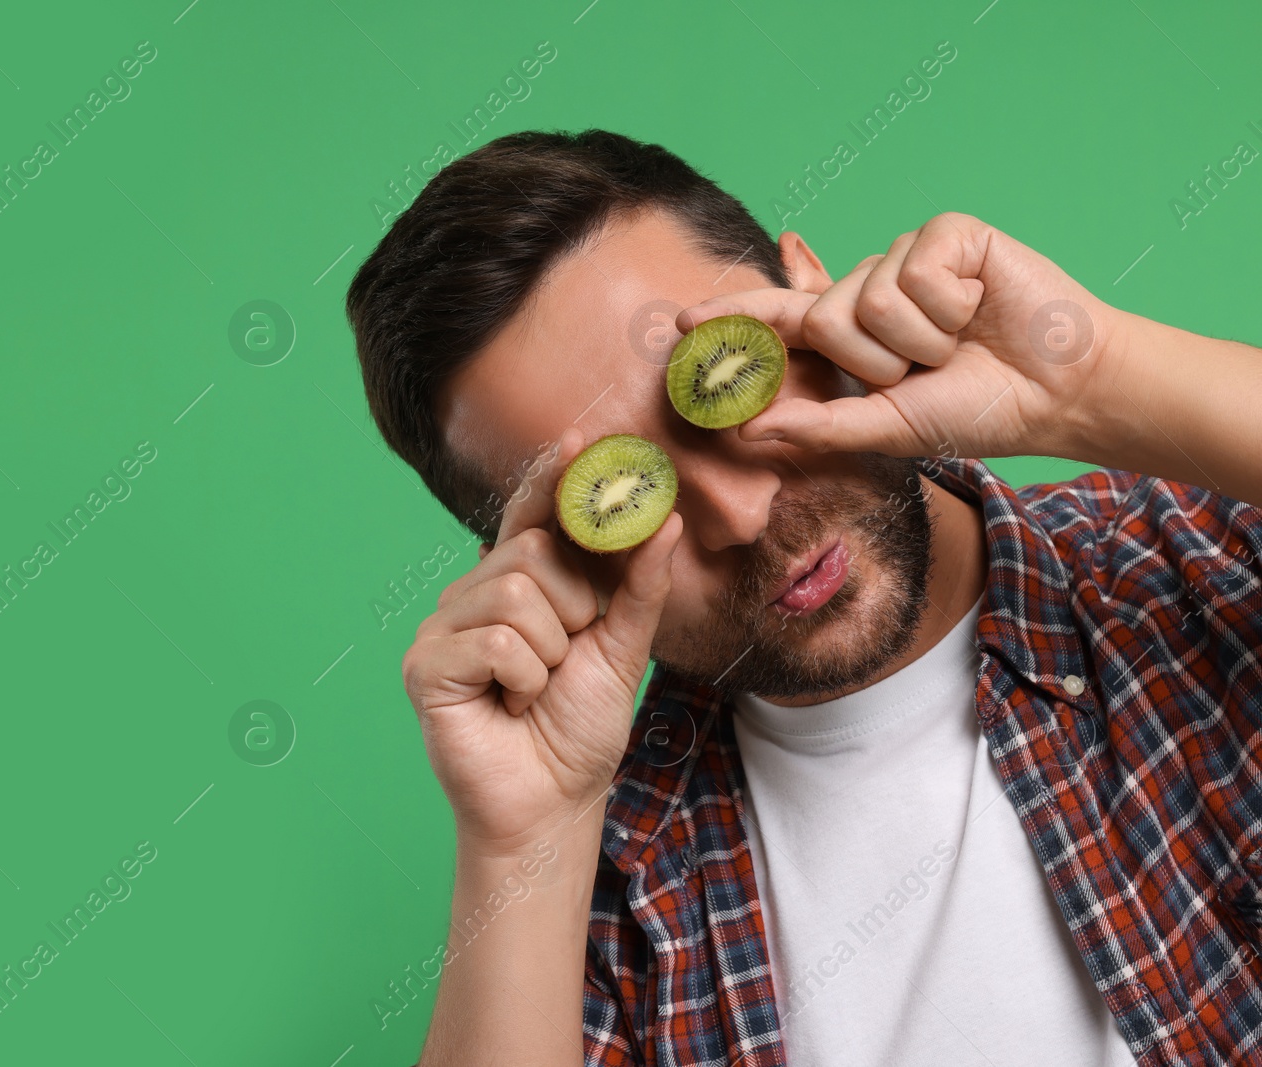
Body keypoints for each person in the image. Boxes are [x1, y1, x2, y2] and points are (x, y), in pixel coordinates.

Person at [343, 128, 1262, 1066]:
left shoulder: (1200, 559)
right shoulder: (591, 906)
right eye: (628, 496)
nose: (739, 516)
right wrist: (519, 842)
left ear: (805, 287)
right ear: (543, 555)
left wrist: (1091, 384)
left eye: (723, 387)